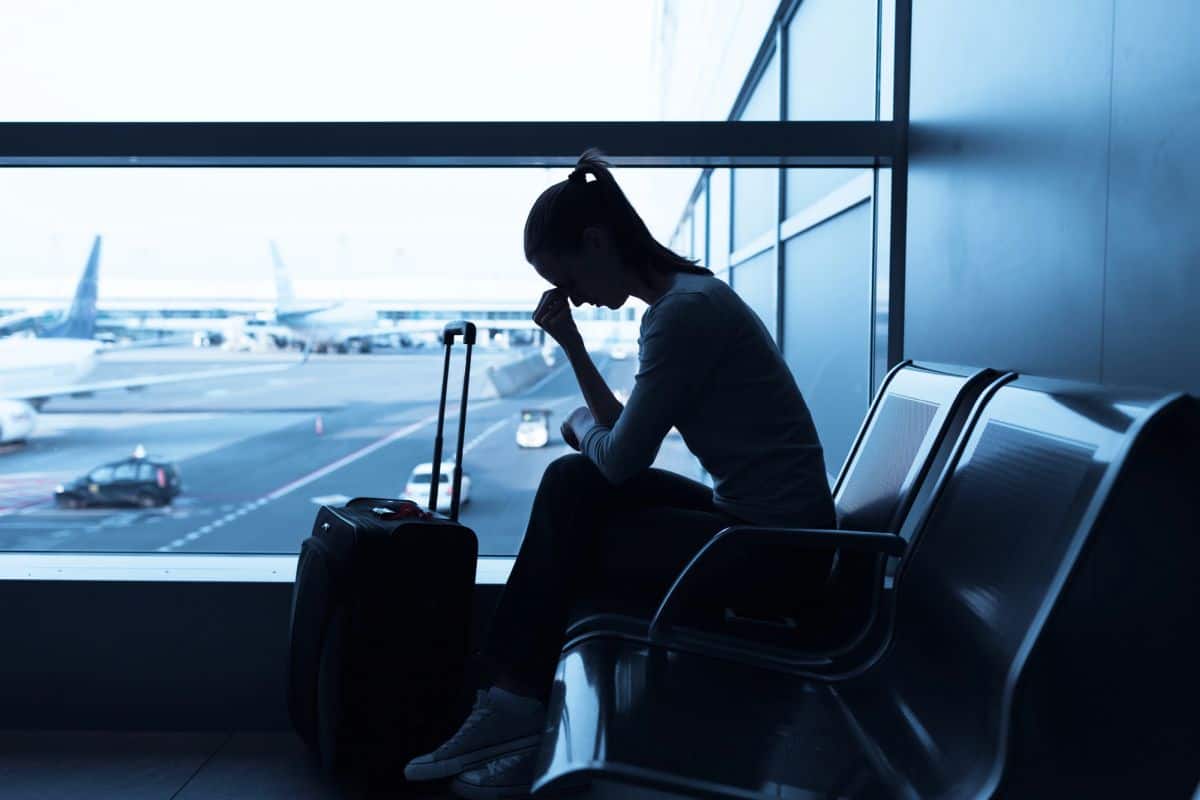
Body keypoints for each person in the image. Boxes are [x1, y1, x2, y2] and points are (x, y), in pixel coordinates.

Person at [405, 151, 836, 798]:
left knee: (574, 497)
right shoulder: (692, 299)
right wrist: (575, 350)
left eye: (568, 276)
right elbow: (628, 441)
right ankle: (517, 709)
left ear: (599, 241)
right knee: (573, 487)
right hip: (766, 532)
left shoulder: (682, 315)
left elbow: (619, 456)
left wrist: (578, 429)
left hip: (775, 558)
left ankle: (514, 708)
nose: (572, 294)